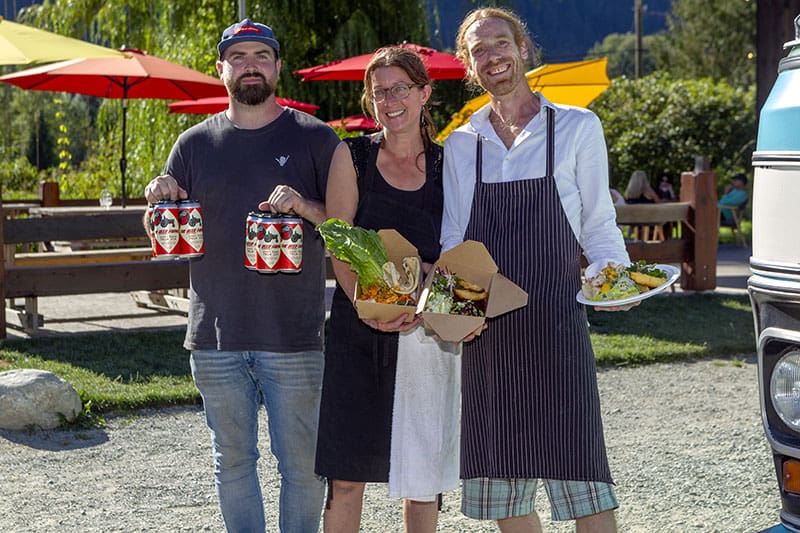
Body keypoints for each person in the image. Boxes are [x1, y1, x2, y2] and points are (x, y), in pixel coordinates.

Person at [142, 19, 339, 532]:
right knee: (232, 464)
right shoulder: (192, 144)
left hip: (294, 337)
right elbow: (161, 229)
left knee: (302, 468)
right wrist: (157, 201)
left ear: (277, 67)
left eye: (260, 55)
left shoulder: (315, 138)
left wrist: (303, 205)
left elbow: (345, 228)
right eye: (238, 56)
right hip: (214, 336)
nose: (250, 64)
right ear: (222, 69)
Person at [442, 7, 631, 532]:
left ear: (523, 50)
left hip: (557, 325)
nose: (492, 56)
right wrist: (458, 316)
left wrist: (617, 280)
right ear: (468, 65)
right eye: (479, 50)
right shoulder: (461, 144)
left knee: (583, 478)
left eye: (500, 43)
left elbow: (597, 223)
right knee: (505, 486)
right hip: (488, 335)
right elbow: (454, 241)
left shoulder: (575, 127)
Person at [316, 46, 460, 533]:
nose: (390, 100)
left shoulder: (450, 163)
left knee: (423, 478)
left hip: (428, 336)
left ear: (425, 94)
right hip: (359, 332)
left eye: (401, 88)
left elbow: (462, 247)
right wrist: (364, 307)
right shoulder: (350, 154)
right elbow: (340, 241)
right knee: (347, 475)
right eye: (379, 92)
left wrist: (436, 305)